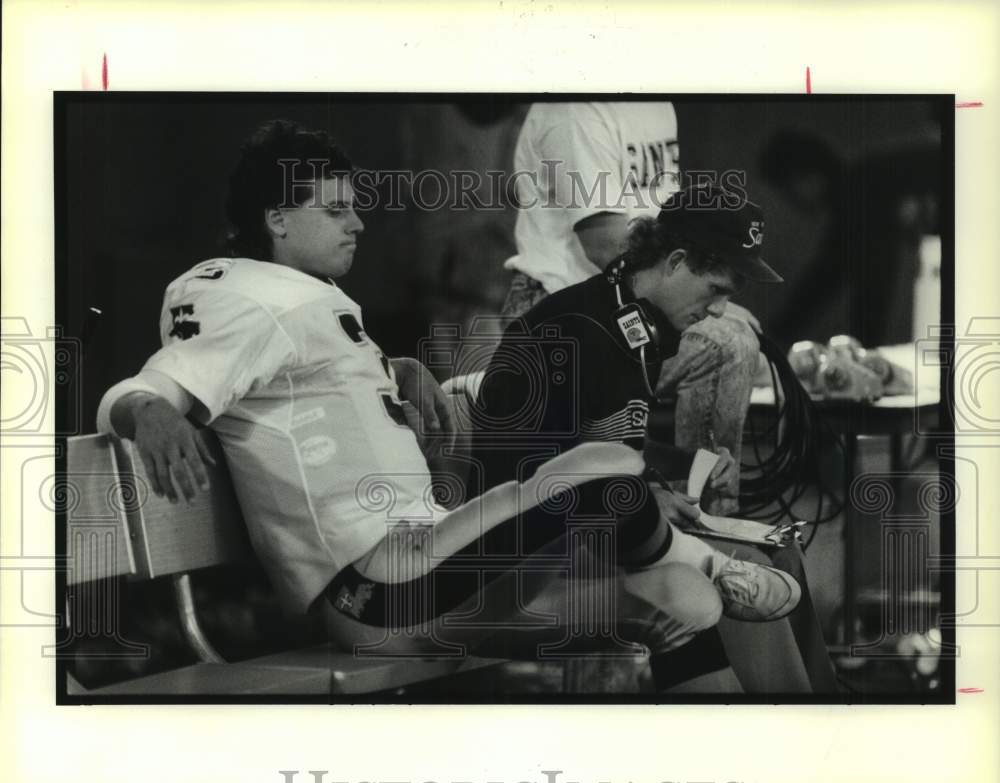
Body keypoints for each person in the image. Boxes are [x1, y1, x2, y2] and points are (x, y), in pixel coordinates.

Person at [96, 119, 761, 693]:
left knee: (670, 593)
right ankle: (708, 600)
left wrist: (393, 369)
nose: (357, 223)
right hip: (380, 592)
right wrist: (150, 413)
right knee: (614, 499)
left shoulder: (295, 296)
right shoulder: (247, 294)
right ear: (276, 219)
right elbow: (150, 387)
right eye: (333, 211)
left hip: (421, 563)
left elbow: (297, 386)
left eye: (352, 206)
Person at [472, 183, 832, 692]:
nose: (718, 310)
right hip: (533, 554)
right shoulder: (566, 332)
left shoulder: (641, 325)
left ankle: (828, 709)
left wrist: (683, 463)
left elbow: (608, 440)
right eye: (716, 289)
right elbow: (528, 482)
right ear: (677, 261)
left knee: (781, 552)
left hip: (609, 528)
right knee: (746, 568)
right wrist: (641, 501)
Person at [501, 101, 761, 515]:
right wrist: (706, 305)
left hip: (634, 298)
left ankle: (698, 520)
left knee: (739, 344)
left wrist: (707, 299)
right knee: (727, 344)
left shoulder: (657, 103)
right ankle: (702, 530)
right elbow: (606, 244)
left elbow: (674, 232)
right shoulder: (576, 108)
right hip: (560, 303)